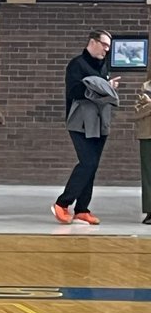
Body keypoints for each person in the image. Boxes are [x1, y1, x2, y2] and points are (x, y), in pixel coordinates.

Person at [53, 29, 120, 224]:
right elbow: (74, 91)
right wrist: (101, 87)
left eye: (109, 46)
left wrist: (107, 87)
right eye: (104, 45)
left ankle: (82, 209)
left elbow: (100, 89)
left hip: (100, 123)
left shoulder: (103, 66)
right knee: (87, 162)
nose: (106, 50)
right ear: (92, 42)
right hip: (80, 123)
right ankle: (62, 203)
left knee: (93, 166)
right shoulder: (77, 64)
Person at [133, 78, 151, 224]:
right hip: (147, 136)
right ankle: (150, 210)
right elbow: (137, 112)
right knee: (148, 174)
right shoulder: (146, 89)